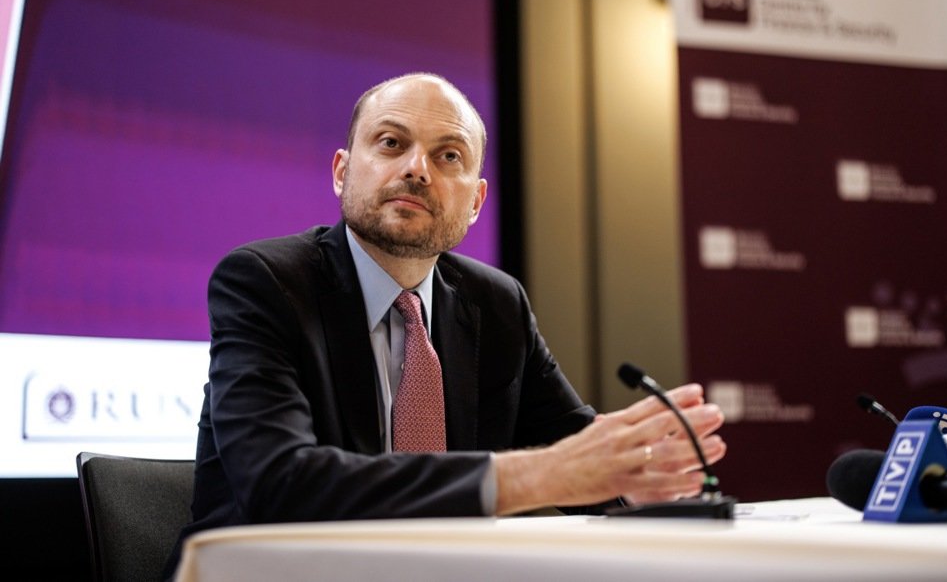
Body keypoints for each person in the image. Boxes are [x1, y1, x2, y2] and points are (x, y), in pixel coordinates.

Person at [165, 72, 726, 574]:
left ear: (477, 201)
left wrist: (652, 483)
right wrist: (535, 476)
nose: (416, 169)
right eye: (391, 143)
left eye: (449, 156)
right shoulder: (265, 282)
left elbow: (576, 451)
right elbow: (280, 484)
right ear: (341, 172)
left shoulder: (497, 303)